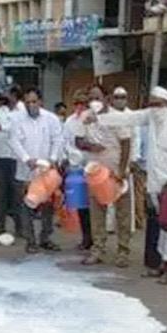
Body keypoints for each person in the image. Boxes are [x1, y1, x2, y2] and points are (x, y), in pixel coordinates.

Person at [92, 86, 167, 284]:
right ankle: (163, 263)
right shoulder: (151, 117)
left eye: (157, 105)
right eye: (151, 105)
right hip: (156, 181)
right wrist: (98, 118)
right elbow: (127, 118)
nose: (154, 109)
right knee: (162, 225)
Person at [74, 89, 133, 267]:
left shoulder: (117, 117)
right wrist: (90, 146)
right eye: (90, 98)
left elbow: (126, 143)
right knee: (97, 214)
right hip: (96, 173)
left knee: (122, 215)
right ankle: (98, 249)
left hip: (116, 172)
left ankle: (123, 251)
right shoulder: (85, 116)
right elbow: (78, 141)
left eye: (97, 98)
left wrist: (122, 170)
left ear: (106, 99)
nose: (94, 101)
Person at [9, 89, 63, 253]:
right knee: (26, 205)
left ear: (40, 101)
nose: (31, 105)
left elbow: (58, 139)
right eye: (27, 102)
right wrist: (26, 159)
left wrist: (53, 158)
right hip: (26, 169)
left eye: (34, 101)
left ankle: (45, 237)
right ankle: (30, 240)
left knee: (47, 205)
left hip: (47, 170)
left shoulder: (51, 119)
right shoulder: (17, 119)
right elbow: (14, 141)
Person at [0, 86, 24, 238]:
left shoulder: (23, 110)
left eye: (7, 94)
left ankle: (20, 228)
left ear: (14, 95)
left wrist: (1, 127)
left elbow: (16, 129)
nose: (4, 96)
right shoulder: (1, 110)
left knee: (17, 194)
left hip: (17, 158)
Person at [62, 92, 93, 251]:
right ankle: (86, 238)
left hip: (93, 167)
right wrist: (70, 158)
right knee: (81, 205)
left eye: (83, 103)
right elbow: (65, 142)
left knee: (96, 205)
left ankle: (97, 239)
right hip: (76, 167)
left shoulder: (93, 120)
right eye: (77, 103)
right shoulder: (69, 121)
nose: (80, 107)